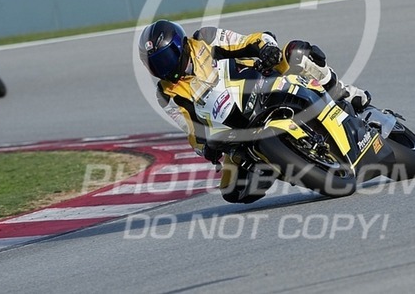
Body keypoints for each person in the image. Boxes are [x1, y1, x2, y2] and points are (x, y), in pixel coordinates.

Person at [138, 19, 370, 203]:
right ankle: (275, 161)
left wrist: (267, 48)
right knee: (233, 191)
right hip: (233, 127)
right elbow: (190, 128)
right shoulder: (166, 94)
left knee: (296, 52)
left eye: (164, 59)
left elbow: (249, 40)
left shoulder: (205, 39)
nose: (162, 68)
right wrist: (206, 148)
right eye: (155, 64)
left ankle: (343, 93)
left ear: (178, 46)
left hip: (260, 82)